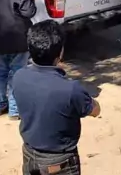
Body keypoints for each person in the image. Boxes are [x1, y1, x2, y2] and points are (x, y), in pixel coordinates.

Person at [12, 20, 101, 175]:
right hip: (60, 162)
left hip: (29, 154)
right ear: (60, 53)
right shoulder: (71, 89)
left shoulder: (19, 77)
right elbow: (95, 110)